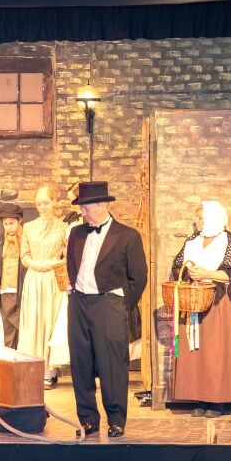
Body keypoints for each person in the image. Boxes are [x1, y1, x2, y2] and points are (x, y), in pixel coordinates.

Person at [66, 181, 147, 438]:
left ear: (102, 205)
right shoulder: (76, 233)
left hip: (108, 304)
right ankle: (88, 419)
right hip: (79, 304)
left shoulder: (127, 236)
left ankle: (116, 419)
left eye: (86, 207)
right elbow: (71, 266)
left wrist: (121, 305)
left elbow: (139, 277)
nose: (82, 212)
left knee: (112, 364)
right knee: (80, 363)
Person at [170, 201, 231, 418]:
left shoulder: (229, 243)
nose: (198, 222)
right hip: (194, 299)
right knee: (196, 352)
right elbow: (177, 266)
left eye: (201, 218)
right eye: (198, 218)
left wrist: (206, 274)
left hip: (218, 302)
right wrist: (189, 272)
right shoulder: (192, 241)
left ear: (214, 218)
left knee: (216, 351)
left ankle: (217, 401)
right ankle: (200, 397)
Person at [17, 185, 68, 389]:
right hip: (34, 279)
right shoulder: (29, 227)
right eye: (39, 204)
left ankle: (49, 370)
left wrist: (54, 263)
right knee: (34, 322)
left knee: (50, 321)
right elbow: (24, 256)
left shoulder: (63, 227)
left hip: (53, 279)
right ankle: (33, 367)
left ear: (54, 202)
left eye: (46, 202)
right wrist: (36, 265)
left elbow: (68, 256)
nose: (43, 207)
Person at [0, 203, 27, 349]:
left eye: (11, 223)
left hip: (23, 289)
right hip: (4, 291)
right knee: (7, 329)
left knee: (24, 327)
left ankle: (24, 356)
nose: (8, 227)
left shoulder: (27, 239)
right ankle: (9, 358)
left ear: (19, 221)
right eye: (5, 224)